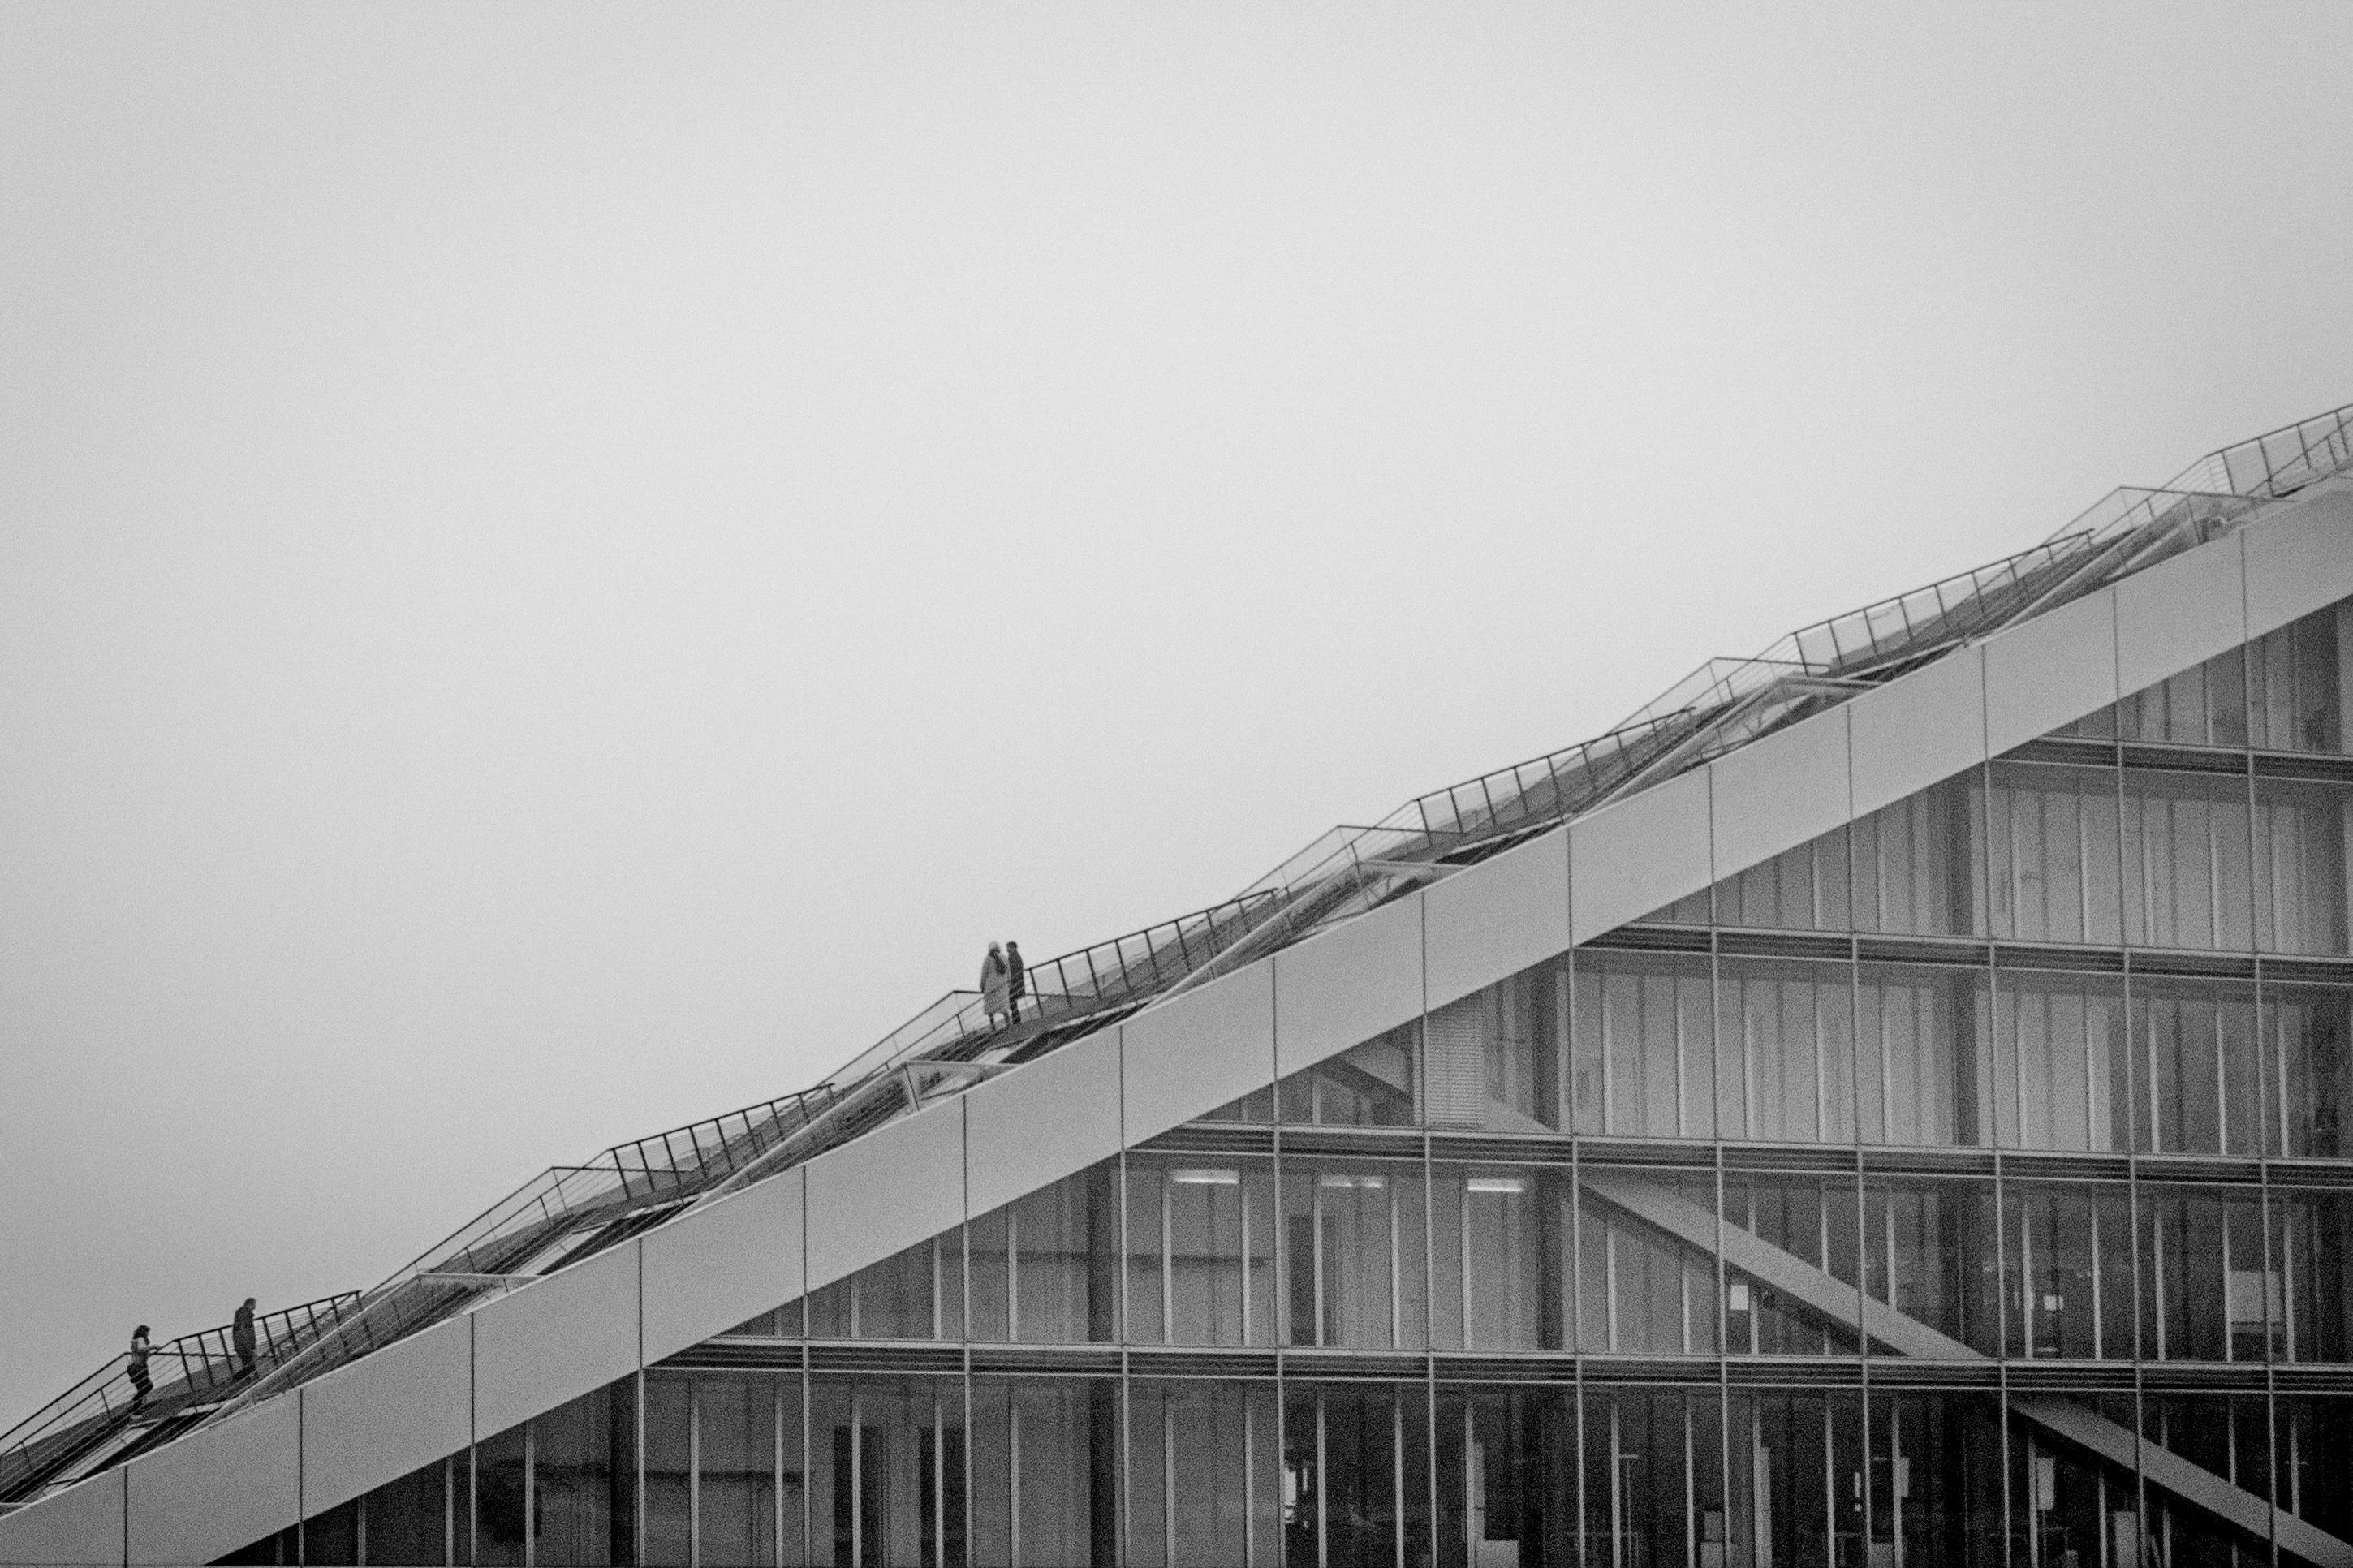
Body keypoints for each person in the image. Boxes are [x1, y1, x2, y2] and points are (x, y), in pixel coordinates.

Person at [980, 941, 1010, 1028]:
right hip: (1002, 986)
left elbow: (984, 974)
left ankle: (993, 1027)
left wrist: (982, 986)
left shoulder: (988, 959)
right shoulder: (1004, 958)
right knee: (1003, 1007)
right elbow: (1008, 972)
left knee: (990, 1009)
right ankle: (1008, 1024)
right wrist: (1009, 982)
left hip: (990, 987)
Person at [126, 1325, 154, 1415]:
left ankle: (135, 1410)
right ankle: (134, 1403)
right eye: (147, 1332)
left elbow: (139, 1353)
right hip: (137, 1367)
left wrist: (148, 1354)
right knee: (148, 1386)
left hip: (134, 1368)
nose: (148, 1334)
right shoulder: (141, 1339)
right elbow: (141, 1348)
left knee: (141, 1388)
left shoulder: (136, 1340)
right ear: (143, 1332)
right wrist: (154, 1346)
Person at [232, 1298, 258, 1378]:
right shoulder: (245, 1314)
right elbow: (243, 1330)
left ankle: (249, 1378)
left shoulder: (242, 1313)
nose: (255, 1307)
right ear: (250, 1304)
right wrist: (248, 1345)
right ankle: (238, 1378)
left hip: (242, 1343)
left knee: (248, 1363)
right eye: (254, 1305)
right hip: (244, 1343)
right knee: (250, 1363)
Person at [1005, 941, 1027, 1024]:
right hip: (1014, 982)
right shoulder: (1013, 956)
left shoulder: (1014, 957)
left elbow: (1014, 970)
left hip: (1014, 982)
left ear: (1013, 947)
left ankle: (1016, 1020)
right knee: (1012, 1001)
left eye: (1008, 947)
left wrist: (1011, 981)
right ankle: (1016, 1019)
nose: (1007, 949)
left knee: (1012, 1001)